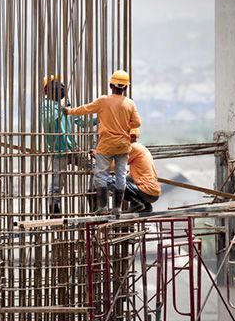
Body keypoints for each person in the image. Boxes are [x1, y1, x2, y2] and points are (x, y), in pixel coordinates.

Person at [64, 70, 142, 214]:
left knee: (101, 175)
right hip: (123, 146)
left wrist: (69, 112)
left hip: (106, 145)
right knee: (121, 175)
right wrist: (124, 126)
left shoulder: (103, 101)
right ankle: (117, 208)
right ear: (125, 87)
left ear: (111, 85)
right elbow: (137, 122)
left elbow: (85, 109)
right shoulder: (130, 103)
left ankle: (103, 207)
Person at [40, 74, 94, 215]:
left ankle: (93, 196)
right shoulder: (46, 106)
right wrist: (61, 108)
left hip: (73, 149)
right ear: (47, 90)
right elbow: (48, 122)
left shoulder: (64, 106)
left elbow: (81, 122)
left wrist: (99, 119)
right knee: (57, 183)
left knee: (95, 169)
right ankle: (54, 210)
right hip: (59, 151)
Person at [124, 128, 160, 212]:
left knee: (112, 182)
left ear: (132, 137)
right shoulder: (142, 149)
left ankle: (137, 203)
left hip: (146, 191)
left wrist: (100, 158)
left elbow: (115, 166)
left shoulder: (133, 147)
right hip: (153, 192)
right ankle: (146, 206)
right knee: (126, 179)